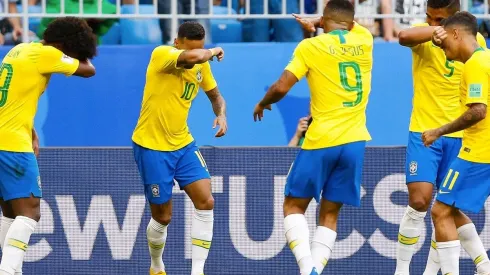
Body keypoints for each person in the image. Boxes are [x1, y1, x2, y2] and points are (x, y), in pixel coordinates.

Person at [253, 0, 373, 274]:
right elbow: (341, 32)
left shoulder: (310, 47)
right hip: (355, 141)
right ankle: (315, 269)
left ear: (324, 18)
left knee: (293, 205)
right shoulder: (365, 39)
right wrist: (317, 24)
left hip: (321, 139)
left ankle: (307, 269)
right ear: (352, 22)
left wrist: (263, 103)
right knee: (330, 214)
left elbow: (282, 85)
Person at [395, 0, 489, 274]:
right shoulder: (423, 33)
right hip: (424, 129)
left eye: (439, 20)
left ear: (455, 23)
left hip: (460, 134)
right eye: (429, 18)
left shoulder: (476, 44)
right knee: (421, 201)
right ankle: (402, 270)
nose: (432, 24)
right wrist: (432, 32)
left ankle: (469, 267)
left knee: (446, 208)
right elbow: (403, 37)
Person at [0, 17, 96, 275]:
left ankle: (12, 270)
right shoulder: (47, 53)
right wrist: (82, 51)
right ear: (66, 44)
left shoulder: (19, 48)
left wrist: (30, 129)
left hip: (8, 135)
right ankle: (8, 272)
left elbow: (13, 96)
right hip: (11, 145)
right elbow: (89, 70)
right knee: (30, 212)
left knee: (10, 210)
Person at [131, 21, 227, 275]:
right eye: (192, 49)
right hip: (151, 146)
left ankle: (197, 271)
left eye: (201, 48)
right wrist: (214, 50)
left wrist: (222, 114)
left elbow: (216, 96)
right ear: (177, 43)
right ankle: (156, 265)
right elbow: (194, 57)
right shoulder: (161, 54)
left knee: (206, 201)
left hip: (183, 144)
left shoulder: (202, 65)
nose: (198, 58)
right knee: (163, 217)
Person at [422, 11, 490, 275]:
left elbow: (478, 111)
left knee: (440, 211)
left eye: (445, 40)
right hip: (481, 150)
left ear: (456, 34)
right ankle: (483, 266)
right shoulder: (484, 59)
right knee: (449, 209)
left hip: (478, 152)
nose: (442, 48)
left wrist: (440, 130)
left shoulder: (475, 64)